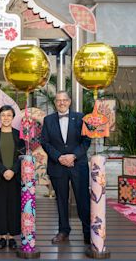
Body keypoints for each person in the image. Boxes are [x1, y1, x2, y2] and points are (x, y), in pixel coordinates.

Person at [40, 91, 91, 245]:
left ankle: (88, 232)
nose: (61, 103)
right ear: (55, 103)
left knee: (83, 199)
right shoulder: (48, 120)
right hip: (57, 166)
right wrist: (59, 157)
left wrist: (73, 156)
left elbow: (86, 141)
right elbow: (45, 142)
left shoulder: (81, 118)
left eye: (64, 100)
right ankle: (63, 231)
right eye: (58, 100)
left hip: (78, 165)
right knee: (61, 200)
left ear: (69, 102)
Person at [0, 105, 25, 250]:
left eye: (9, 115)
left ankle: (12, 237)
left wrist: (13, 171)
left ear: (13, 117)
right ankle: (2, 237)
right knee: (0, 207)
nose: (6, 118)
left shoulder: (19, 135)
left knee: (14, 207)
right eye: (3, 115)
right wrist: (3, 171)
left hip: (15, 177)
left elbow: (22, 155)